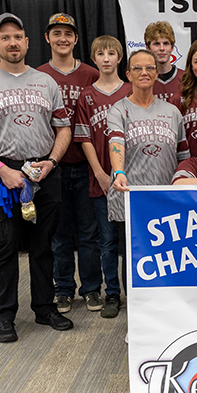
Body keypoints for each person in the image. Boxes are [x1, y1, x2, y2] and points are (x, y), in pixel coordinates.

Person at [0, 13, 73, 343]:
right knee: (5, 247)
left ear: (27, 42)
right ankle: (4, 314)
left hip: (43, 172)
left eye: (18, 36)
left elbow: (63, 128)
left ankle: (44, 307)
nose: (12, 42)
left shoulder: (45, 82)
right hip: (3, 175)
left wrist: (52, 161)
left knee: (44, 246)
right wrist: (1, 170)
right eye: (5, 37)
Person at [36, 13, 103, 314]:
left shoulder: (91, 74)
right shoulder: (37, 75)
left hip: (86, 164)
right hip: (53, 167)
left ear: (76, 39)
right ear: (47, 38)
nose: (62, 38)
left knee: (89, 233)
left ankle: (91, 288)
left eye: (68, 33)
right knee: (59, 234)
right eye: (56, 33)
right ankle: (63, 289)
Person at [108, 49, 189, 291]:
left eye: (150, 68)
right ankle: (134, 314)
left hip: (163, 198)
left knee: (167, 257)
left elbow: (183, 156)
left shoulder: (172, 112)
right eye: (137, 68)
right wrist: (119, 172)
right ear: (128, 74)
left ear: (156, 73)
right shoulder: (118, 110)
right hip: (129, 196)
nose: (144, 72)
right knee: (133, 258)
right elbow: (116, 143)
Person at [74, 36, 132, 319]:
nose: (106, 58)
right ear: (93, 59)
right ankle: (112, 293)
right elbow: (84, 138)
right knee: (106, 241)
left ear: (120, 58)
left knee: (132, 242)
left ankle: (134, 291)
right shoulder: (86, 95)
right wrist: (100, 172)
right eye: (100, 54)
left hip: (132, 180)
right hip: (103, 180)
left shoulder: (132, 90)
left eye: (112, 53)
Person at [145, 21, 183, 106]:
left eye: (166, 43)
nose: (162, 48)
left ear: (172, 47)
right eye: (157, 44)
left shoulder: (186, 79)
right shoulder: (143, 79)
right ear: (148, 48)